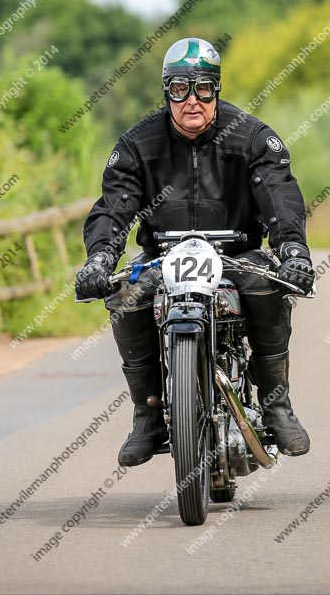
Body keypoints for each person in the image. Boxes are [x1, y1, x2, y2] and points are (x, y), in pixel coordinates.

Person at [75, 37, 315, 467]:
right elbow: (114, 207)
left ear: (216, 90)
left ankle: (277, 405)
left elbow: (280, 197)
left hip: (238, 254)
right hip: (160, 258)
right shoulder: (137, 144)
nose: (191, 100)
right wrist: (99, 259)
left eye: (203, 88)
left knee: (266, 285)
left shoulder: (253, 137)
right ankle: (147, 415)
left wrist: (294, 250)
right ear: (166, 91)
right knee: (124, 297)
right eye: (179, 88)